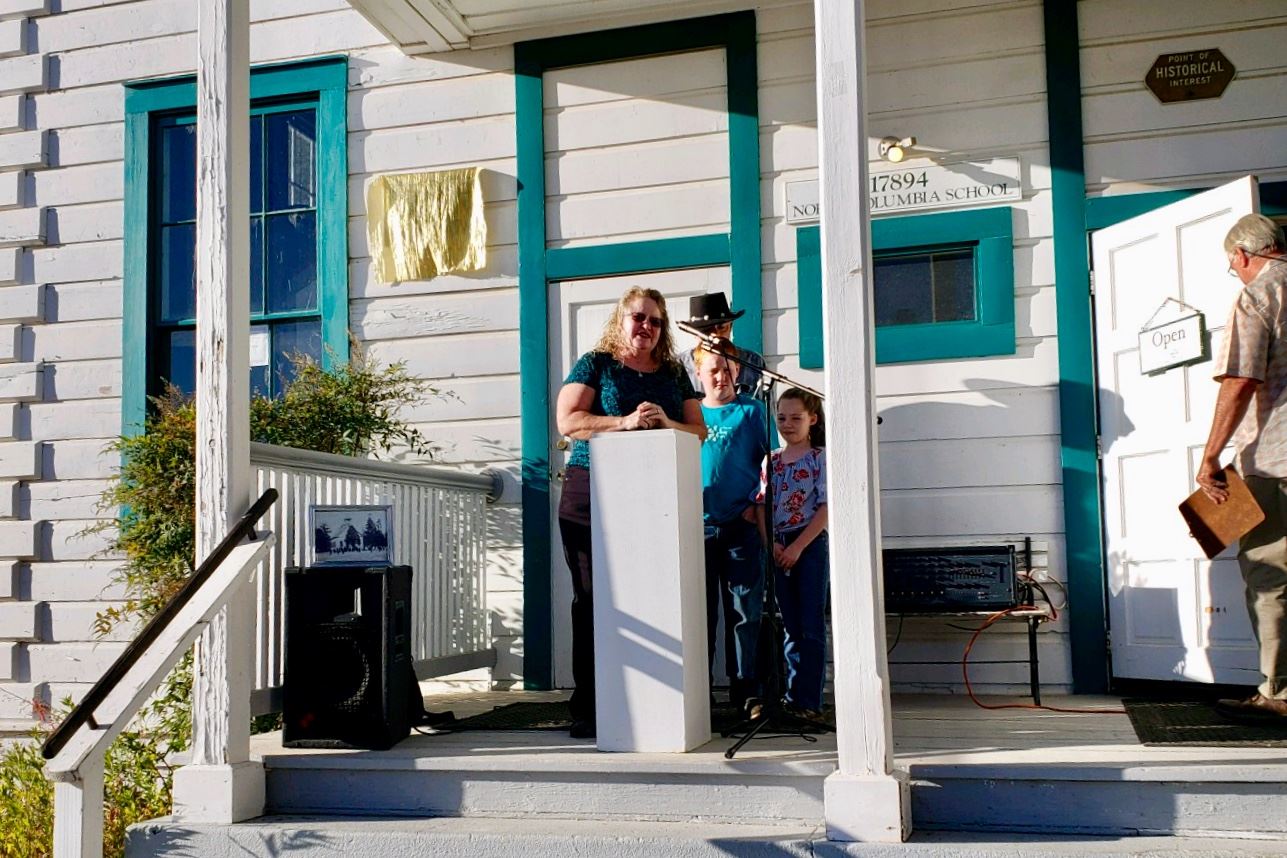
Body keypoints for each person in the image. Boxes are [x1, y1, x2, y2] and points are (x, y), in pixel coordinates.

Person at [554, 286, 707, 739]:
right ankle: (590, 704)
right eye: (639, 318)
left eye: (656, 321)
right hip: (591, 490)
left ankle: (650, 699)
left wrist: (665, 423)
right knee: (592, 598)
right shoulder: (595, 363)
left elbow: (698, 430)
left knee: (651, 595)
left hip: (654, 496)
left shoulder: (674, 372)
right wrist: (624, 422)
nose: (647, 327)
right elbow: (568, 422)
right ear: (621, 319)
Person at [1196, 213, 1287, 725]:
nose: (1239, 273)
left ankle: (1279, 691)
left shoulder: (1260, 295)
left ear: (1245, 255)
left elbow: (1240, 380)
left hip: (1277, 463)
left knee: (1272, 577)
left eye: (1235, 266)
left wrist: (1211, 456)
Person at [695, 346, 770, 714]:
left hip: (740, 527)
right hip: (697, 529)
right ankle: (699, 688)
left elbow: (771, 462)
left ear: (738, 372)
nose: (720, 377)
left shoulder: (753, 412)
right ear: (698, 373)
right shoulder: (689, 414)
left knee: (744, 609)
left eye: (727, 369)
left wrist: (757, 505)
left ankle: (746, 688)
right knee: (700, 612)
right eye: (712, 370)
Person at [755, 387, 828, 719]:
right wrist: (772, 544)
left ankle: (809, 702)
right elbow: (759, 506)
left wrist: (798, 547)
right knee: (790, 625)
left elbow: (826, 508)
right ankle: (791, 696)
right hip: (779, 542)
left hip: (808, 544)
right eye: (781, 417)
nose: (787, 424)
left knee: (810, 623)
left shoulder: (819, 458)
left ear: (812, 419)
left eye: (796, 418)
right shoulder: (771, 460)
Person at [679, 292, 765, 395]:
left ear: (731, 326)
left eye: (721, 327)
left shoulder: (753, 361)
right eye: (706, 331)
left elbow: (767, 408)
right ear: (694, 333)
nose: (716, 335)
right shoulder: (678, 366)